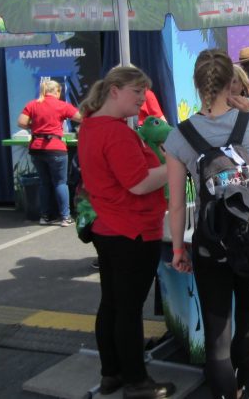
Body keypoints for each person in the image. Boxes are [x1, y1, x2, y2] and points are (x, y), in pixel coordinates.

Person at [164, 49, 249, 399]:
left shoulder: (179, 135)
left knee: (216, 336)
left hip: (208, 243)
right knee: (247, 327)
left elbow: (174, 204)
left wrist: (177, 249)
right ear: (232, 82)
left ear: (197, 84)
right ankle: (241, 385)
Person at [76, 66, 174, 399]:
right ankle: (137, 383)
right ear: (114, 91)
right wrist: (176, 166)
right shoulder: (115, 133)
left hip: (109, 226)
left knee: (113, 305)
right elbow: (139, 183)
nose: (143, 99)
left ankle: (112, 373)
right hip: (131, 231)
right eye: (137, 92)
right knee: (128, 310)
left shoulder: (91, 126)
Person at [18, 79, 82, 226]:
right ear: (57, 91)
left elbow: (21, 122)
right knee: (60, 183)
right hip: (55, 148)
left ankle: (45, 216)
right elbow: (81, 118)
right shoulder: (62, 105)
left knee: (44, 183)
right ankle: (65, 217)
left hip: (36, 148)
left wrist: (35, 125)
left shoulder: (33, 104)